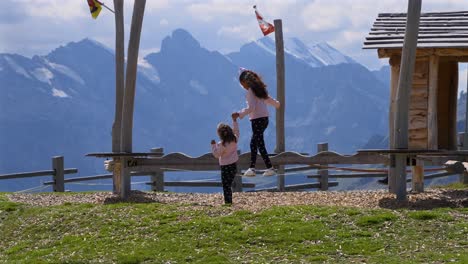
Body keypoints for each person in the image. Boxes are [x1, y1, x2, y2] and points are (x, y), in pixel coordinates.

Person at [232, 69, 280, 177]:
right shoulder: (259, 89)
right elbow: (267, 99)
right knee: (254, 143)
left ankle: (269, 167)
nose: (242, 86)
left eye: (242, 84)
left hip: (257, 120)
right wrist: (277, 104)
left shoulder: (250, 92)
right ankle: (252, 168)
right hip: (265, 119)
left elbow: (251, 108)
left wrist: (239, 114)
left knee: (259, 143)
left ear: (246, 82)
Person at [211, 116, 240, 205]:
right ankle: (229, 202)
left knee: (226, 185)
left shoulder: (222, 145)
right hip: (234, 165)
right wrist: (234, 121)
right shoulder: (235, 139)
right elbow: (237, 131)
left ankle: (228, 202)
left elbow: (216, 155)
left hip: (225, 167)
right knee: (229, 183)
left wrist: (213, 146)